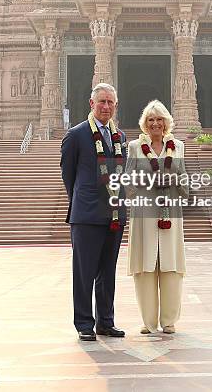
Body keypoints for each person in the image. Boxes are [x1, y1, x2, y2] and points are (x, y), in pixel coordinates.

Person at [60, 83, 127, 341]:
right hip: (87, 215)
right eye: (102, 102)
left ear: (115, 105)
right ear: (92, 104)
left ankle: (106, 321)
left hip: (113, 214)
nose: (106, 107)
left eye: (110, 102)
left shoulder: (120, 136)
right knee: (84, 272)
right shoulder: (76, 135)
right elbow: (69, 175)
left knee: (107, 271)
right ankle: (84, 323)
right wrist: (81, 200)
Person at [125, 100, 188, 334]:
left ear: (166, 122)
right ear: (145, 124)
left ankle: (169, 321)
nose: (155, 124)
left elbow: (184, 179)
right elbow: (127, 182)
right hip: (145, 211)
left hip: (170, 211)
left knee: (171, 266)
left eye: (159, 119)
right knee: (145, 266)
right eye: (151, 120)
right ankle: (148, 322)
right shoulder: (134, 147)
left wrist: (176, 181)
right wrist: (147, 181)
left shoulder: (178, 146)